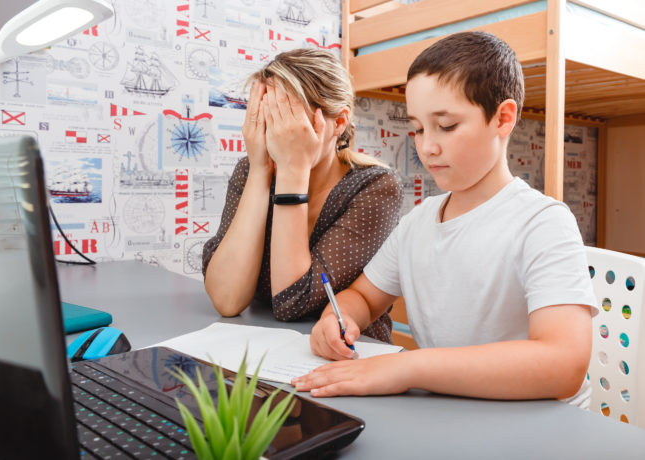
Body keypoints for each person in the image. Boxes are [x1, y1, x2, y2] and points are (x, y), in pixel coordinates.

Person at [294, 32, 597, 407]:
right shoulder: (417, 223)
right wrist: (335, 320)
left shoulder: (543, 223)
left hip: (543, 425)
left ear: (503, 118)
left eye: (447, 126)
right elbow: (362, 297)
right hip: (454, 412)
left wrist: (408, 367)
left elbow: (564, 364)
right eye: (418, 129)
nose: (426, 147)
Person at [202, 48, 403, 342]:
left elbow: (292, 302)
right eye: (268, 118)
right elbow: (227, 299)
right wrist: (259, 171)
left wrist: (293, 170)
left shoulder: (376, 187)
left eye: (288, 120)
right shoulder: (252, 169)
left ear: (339, 123)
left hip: (350, 354)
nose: (276, 135)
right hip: (266, 347)